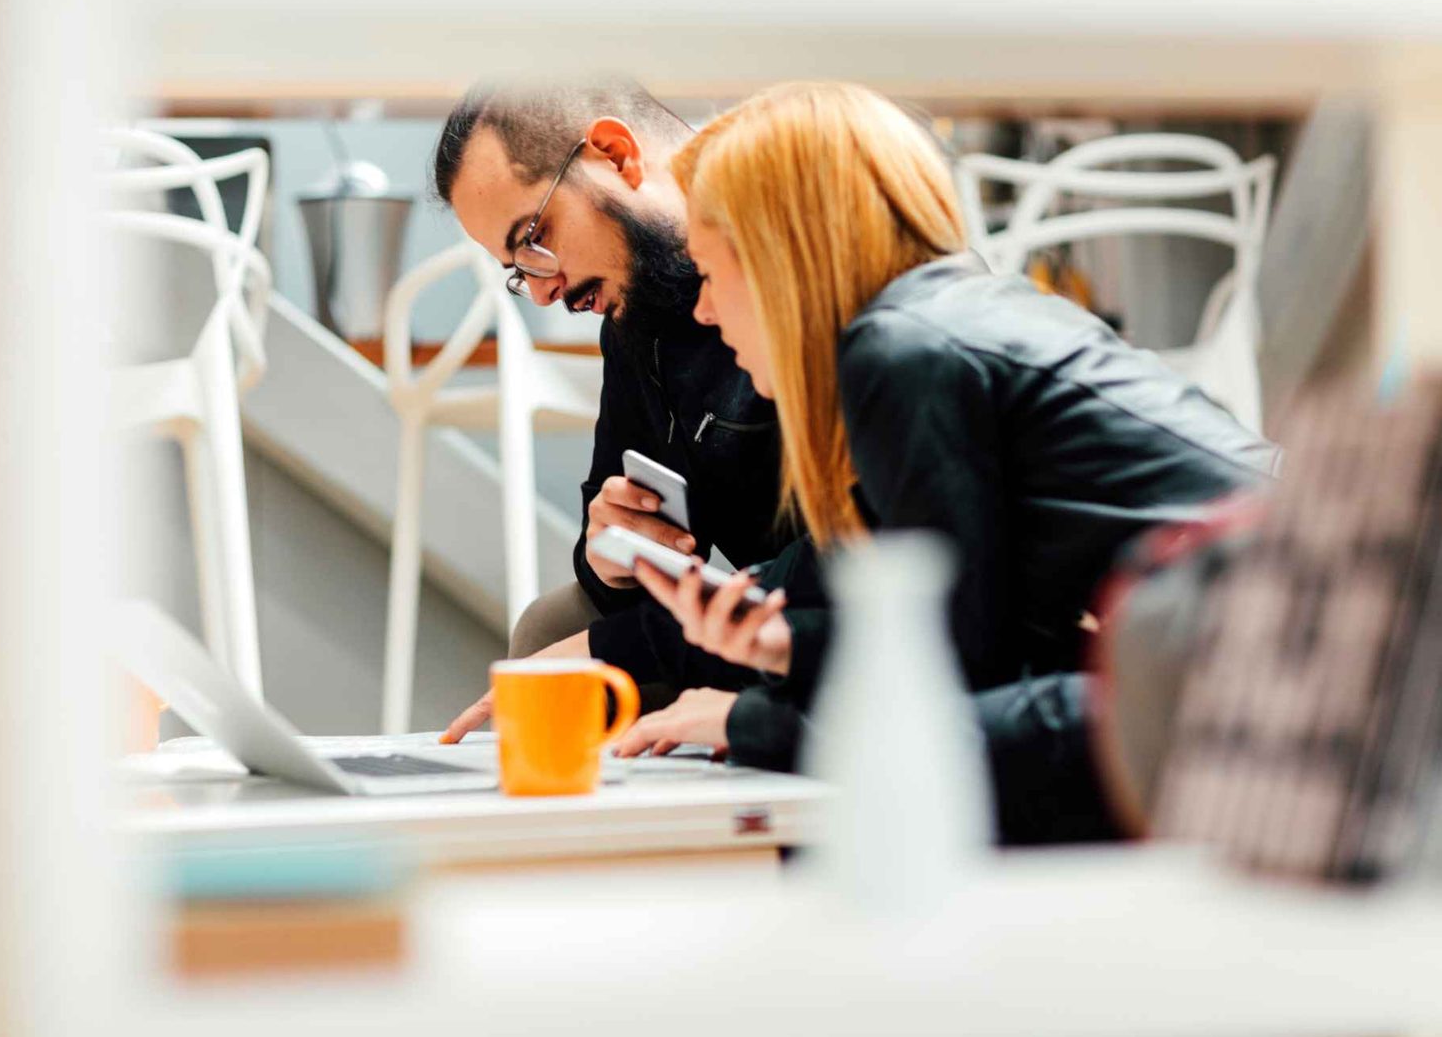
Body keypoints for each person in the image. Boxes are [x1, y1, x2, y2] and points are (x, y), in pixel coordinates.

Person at [608, 82, 1278, 841]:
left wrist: (751, 719)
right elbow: (981, 625)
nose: (701, 310)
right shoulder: (946, 316)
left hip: (1247, 673)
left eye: (707, 270)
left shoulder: (900, 350)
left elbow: (964, 669)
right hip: (1239, 647)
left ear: (778, 255)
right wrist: (778, 644)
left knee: (873, 773)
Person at [427, 80, 795, 740]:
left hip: (829, 609)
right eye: (518, 269)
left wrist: (615, 650)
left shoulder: (805, 270)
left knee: (566, 647)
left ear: (616, 156)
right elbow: (606, 537)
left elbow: (852, 560)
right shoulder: (638, 313)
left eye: (535, 237)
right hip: (757, 611)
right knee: (552, 624)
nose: (541, 295)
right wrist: (610, 557)